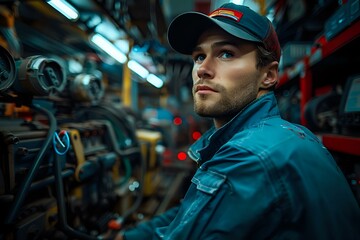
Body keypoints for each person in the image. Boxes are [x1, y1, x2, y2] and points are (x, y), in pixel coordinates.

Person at [116, 3, 360, 240]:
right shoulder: (286, 136)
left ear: (268, 75)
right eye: (199, 56)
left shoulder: (247, 157)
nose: (202, 69)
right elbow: (189, 214)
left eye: (226, 53)